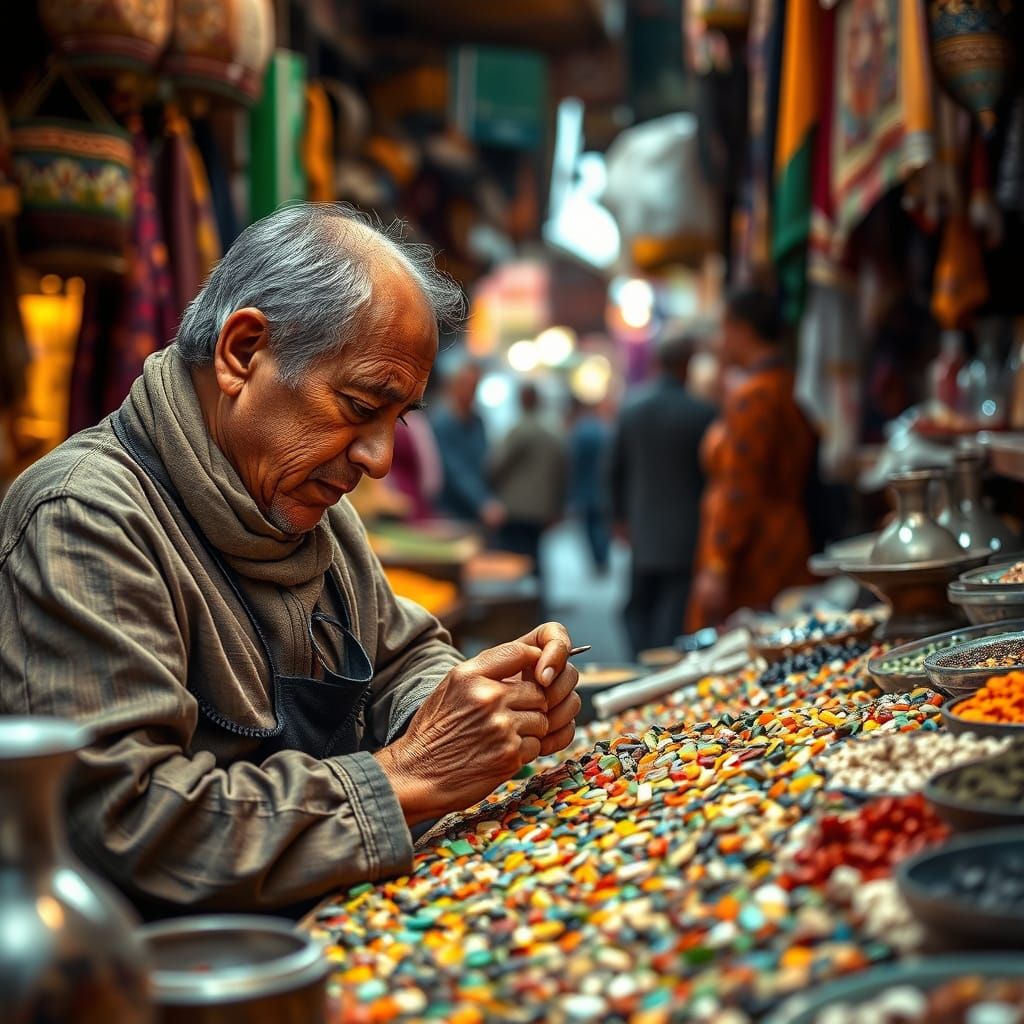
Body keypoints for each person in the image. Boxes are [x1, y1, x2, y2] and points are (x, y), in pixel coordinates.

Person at [0, 204, 581, 919]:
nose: (377, 458)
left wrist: (490, 700)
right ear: (243, 352)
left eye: (396, 421)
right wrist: (406, 774)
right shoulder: (85, 517)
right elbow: (130, 820)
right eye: (360, 404)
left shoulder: (314, 514)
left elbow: (404, 656)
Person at [688, 288, 817, 630]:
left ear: (740, 329)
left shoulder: (754, 395)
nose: (719, 341)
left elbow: (739, 487)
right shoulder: (790, 382)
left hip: (754, 549)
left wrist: (718, 565)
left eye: (722, 329)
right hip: (789, 535)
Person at [608, 334, 716, 656]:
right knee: (673, 613)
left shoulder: (632, 410)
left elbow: (613, 470)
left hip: (643, 529)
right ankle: (659, 670)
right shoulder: (702, 413)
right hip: (687, 533)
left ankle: (640, 663)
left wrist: (618, 519)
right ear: (686, 366)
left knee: (637, 607)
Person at [488, 382, 567, 583]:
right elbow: (562, 472)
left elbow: (497, 466)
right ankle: (539, 606)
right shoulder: (553, 430)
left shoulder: (519, 430)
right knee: (536, 558)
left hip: (516, 508)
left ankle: (523, 607)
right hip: (543, 509)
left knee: (517, 563)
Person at [430, 358, 505, 530]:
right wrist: (482, 502)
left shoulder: (478, 421)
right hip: (451, 510)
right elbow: (454, 470)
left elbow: (485, 461)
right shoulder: (443, 422)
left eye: (474, 385)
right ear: (453, 385)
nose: (470, 390)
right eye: (465, 384)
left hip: (476, 510)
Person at [567, 397, 612, 574]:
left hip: (586, 488)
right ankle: (603, 557)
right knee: (601, 525)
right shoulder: (605, 429)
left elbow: (574, 463)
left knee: (590, 526)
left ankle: (598, 559)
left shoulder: (580, 431)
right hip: (603, 488)